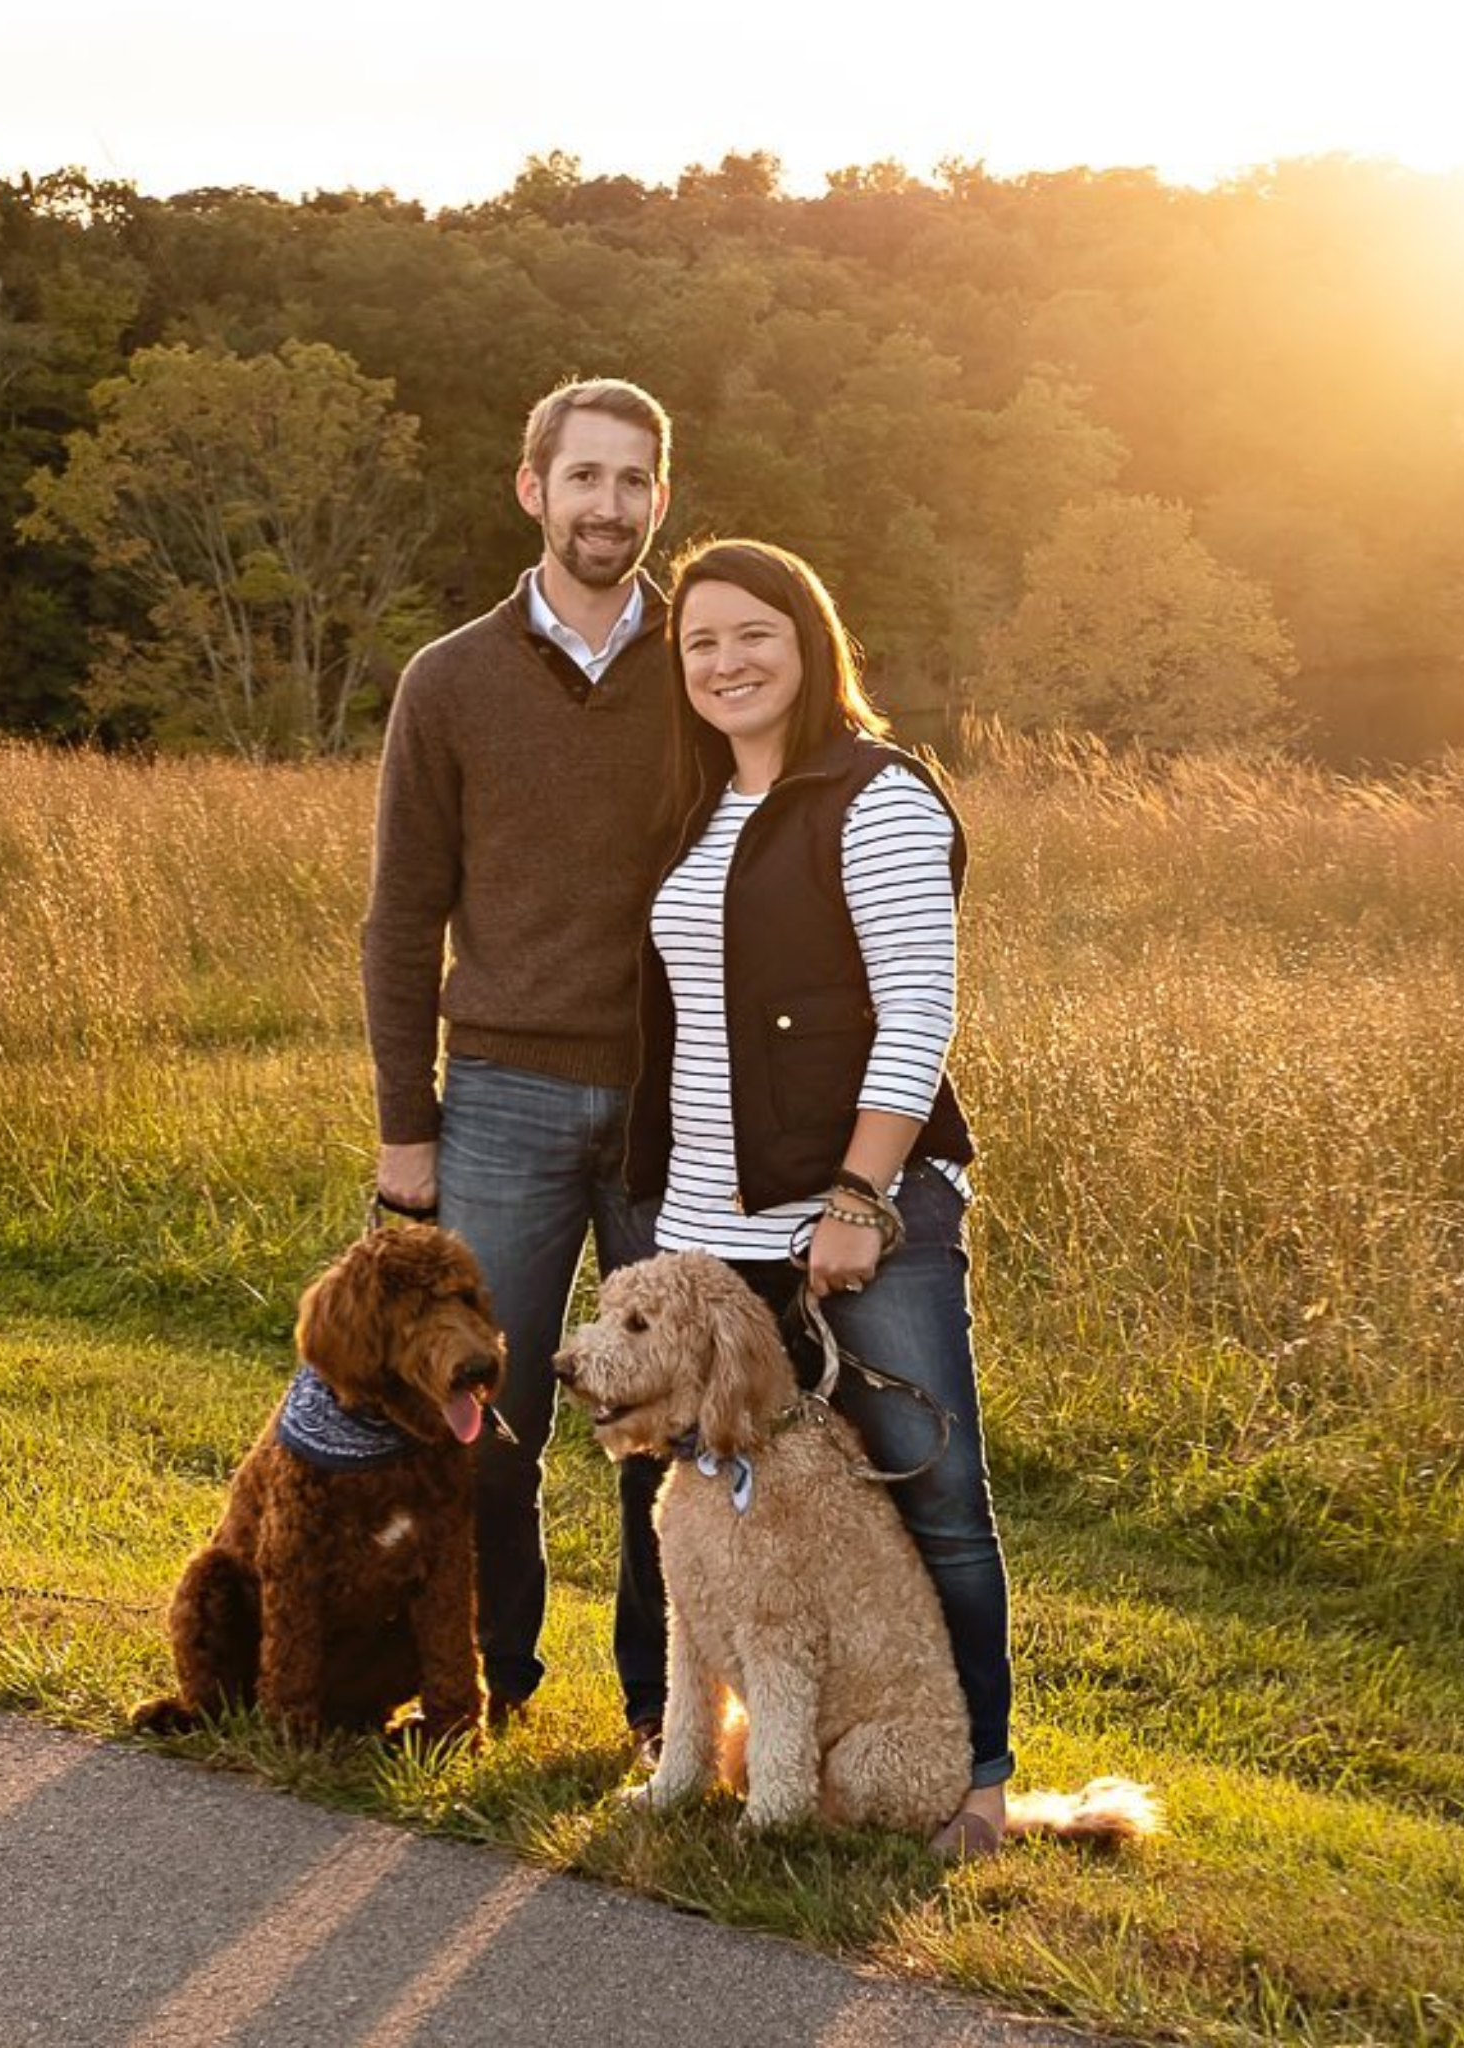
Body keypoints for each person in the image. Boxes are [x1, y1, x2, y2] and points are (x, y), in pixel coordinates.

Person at [625, 537, 1016, 1856]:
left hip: (860, 1223)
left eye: (754, 635)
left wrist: (859, 1194)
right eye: (701, 645)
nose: (728, 663)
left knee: (926, 1490)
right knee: (722, 1509)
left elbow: (919, 1012)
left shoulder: (880, 797)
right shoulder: (692, 810)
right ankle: (738, 1758)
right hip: (705, 1237)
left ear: (809, 642)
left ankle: (978, 1783)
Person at [361, 375, 675, 1748]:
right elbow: (400, 916)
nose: (610, 505)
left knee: (670, 1428)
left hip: (682, 1107)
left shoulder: (712, 660)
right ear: (532, 488)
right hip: (499, 1096)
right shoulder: (451, 679)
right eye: (584, 476)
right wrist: (405, 1126)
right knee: (478, 1420)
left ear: (661, 497)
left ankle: (669, 1717)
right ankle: (482, 1684)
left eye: (635, 479)